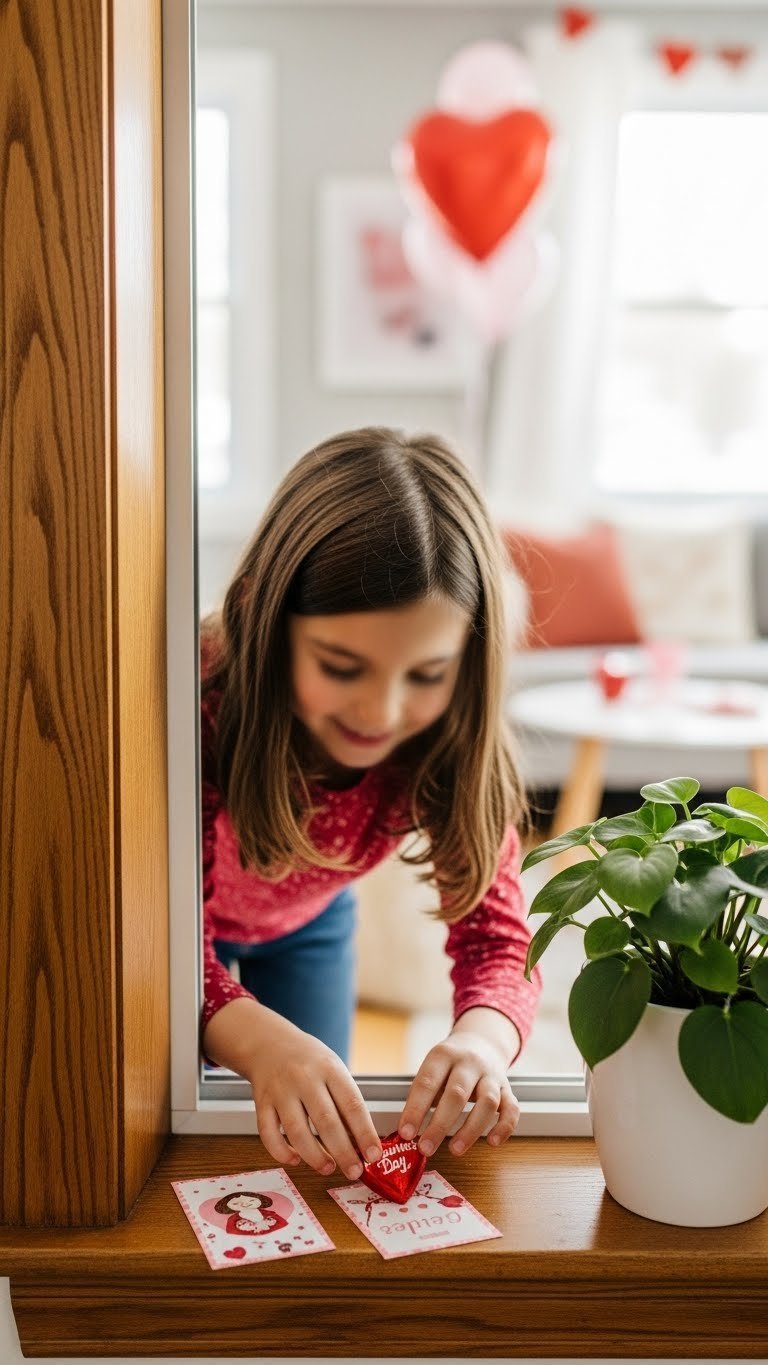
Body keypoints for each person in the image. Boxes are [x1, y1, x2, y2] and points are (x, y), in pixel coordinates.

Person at [200, 426, 542, 1184]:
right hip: (171, 939)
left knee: (315, 1143)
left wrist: (484, 1040)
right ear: (263, 614)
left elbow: (500, 941)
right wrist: (255, 1042)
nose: (381, 711)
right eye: (341, 665)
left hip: (310, 924)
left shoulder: (449, 738)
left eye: (427, 672)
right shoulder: (199, 708)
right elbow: (157, 949)